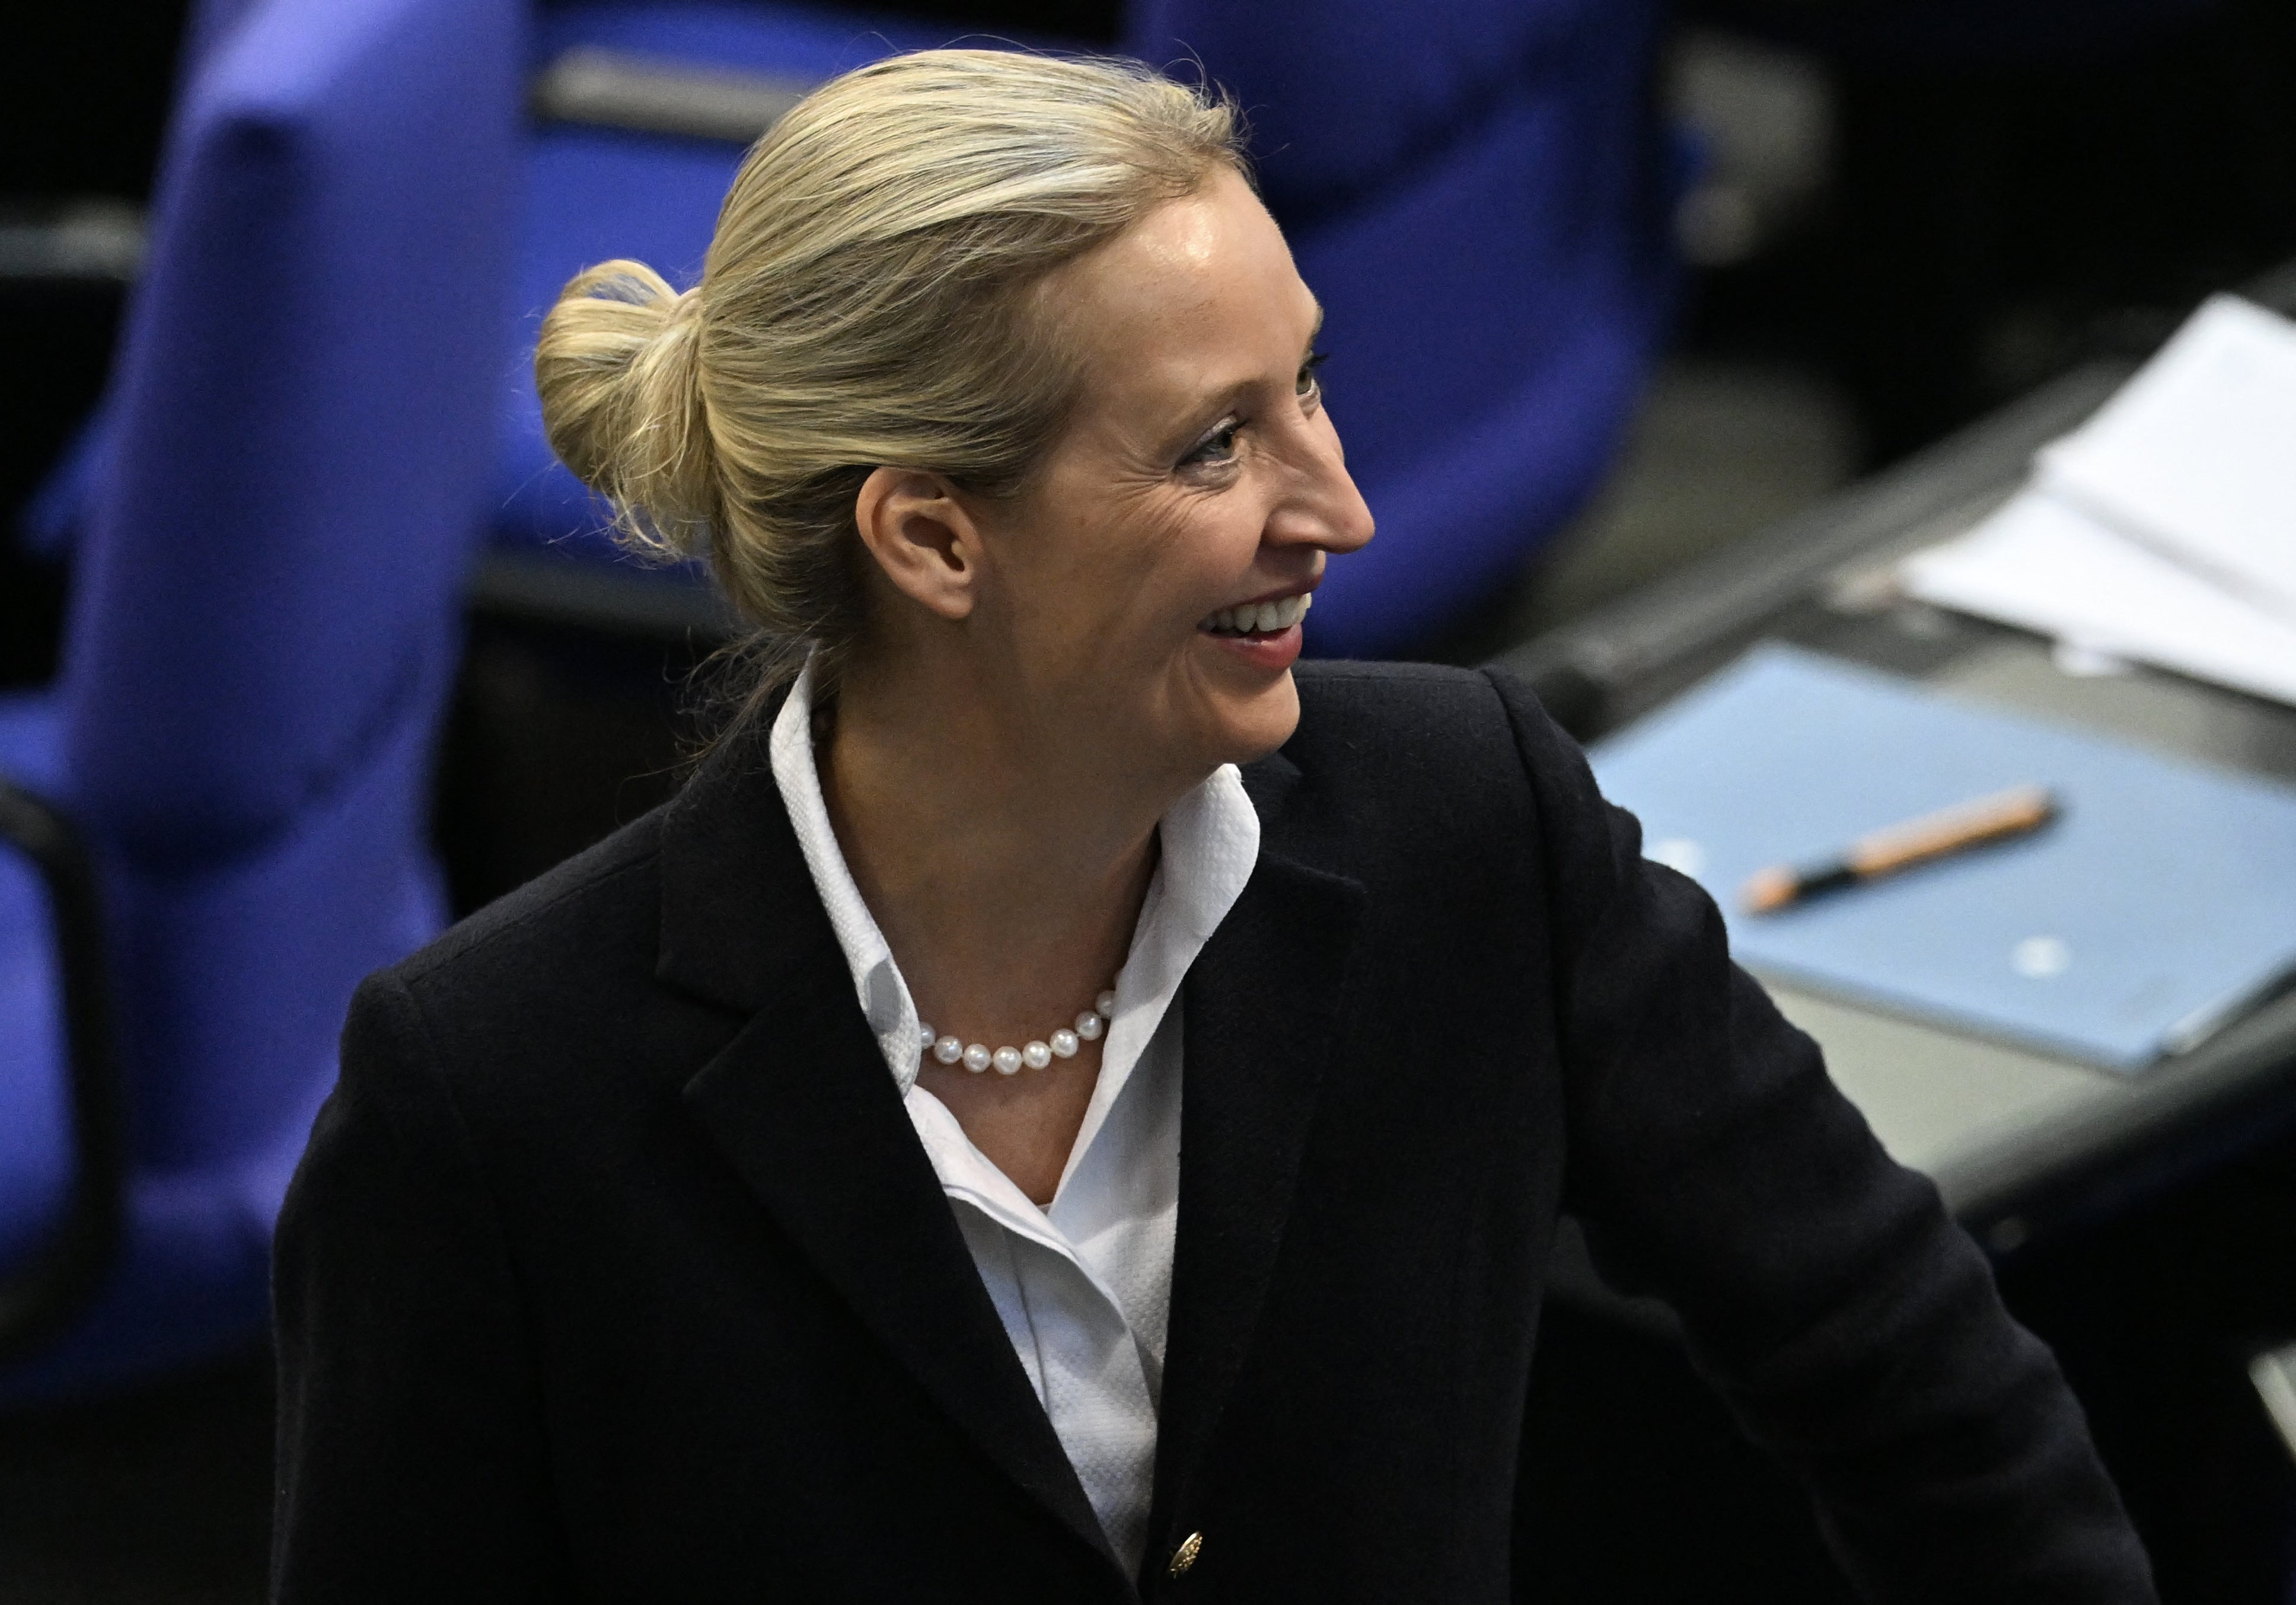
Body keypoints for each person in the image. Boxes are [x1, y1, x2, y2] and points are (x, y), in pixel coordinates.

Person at [270, 49, 2154, 1603]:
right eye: (1213, 445)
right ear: (931, 534)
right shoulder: (490, 1098)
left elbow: (1933, 1399)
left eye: (1307, 384)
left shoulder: (1474, 826)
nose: (1339, 504)